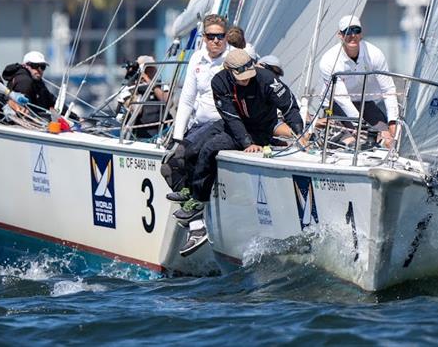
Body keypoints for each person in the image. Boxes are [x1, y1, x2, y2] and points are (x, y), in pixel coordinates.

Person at [176, 49, 305, 256]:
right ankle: (190, 191)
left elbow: (289, 106)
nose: (246, 81)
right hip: (234, 125)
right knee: (191, 149)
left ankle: (198, 202)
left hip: (261, 129)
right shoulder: (219, 81)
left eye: (249, 76)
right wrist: (245, 142)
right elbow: (230, 117)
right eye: (241, 78)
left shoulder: (266, 79)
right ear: (228, 71)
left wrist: (299, 132)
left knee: (210, 148)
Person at [163, 14, 230, 201]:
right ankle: (193, 216)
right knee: (168, 167)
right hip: (200, 124)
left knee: (188, 154)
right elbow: (186, 100)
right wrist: (177, 136)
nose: (216, 40)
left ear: (226, 36)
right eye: (211, 36)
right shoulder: (197, 58)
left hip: (221, 125)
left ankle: (195, 210)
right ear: (204, 37)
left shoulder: (231, 59)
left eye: (220, 36)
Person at [318, 15, 398, 145]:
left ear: (361, 33)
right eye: (348, 31)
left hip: (365, 102)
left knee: (387, 136)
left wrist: (393, 121)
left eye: (356, 30)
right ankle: (340, 139)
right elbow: (342, 99)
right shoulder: (328, 61)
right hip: (335, 104)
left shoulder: (374, 54)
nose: (353, 35)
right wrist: (362, 127)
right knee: (355, 140)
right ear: (340, 35)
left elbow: (388, 89)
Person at [117, 55, 171, 139]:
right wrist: (135, 85)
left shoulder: (161, 85)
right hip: (139, 135)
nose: (153, 71)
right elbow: (137, 109)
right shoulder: (129, 89)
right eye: (148, 69)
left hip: (160, 134)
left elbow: (168, 101)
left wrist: (150, 83)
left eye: (153, 69)